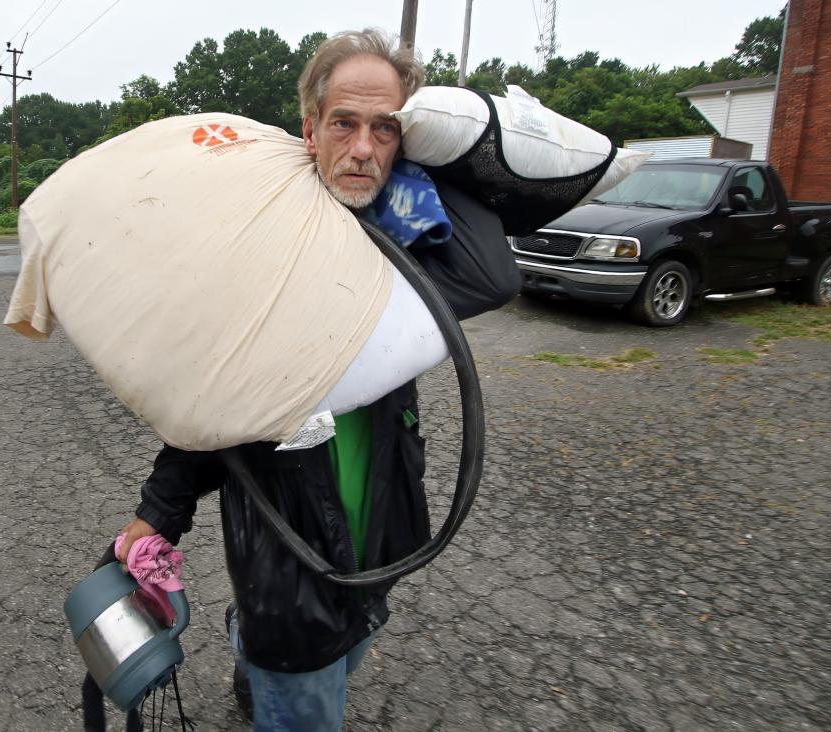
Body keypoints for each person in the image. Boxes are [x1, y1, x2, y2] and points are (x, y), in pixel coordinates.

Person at [115, 29, 518, 730]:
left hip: (379, 539)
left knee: (351, 644)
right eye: (344, 124)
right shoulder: (260, 256)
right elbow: (208, 401)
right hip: (288, 559)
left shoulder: (403, 243)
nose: (363, 148)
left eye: (385, 129)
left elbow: (493, 275)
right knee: (307, 688)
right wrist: (158, 515)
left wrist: (436, 156)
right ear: (310, 129)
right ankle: (261, 658)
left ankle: (250, 658)